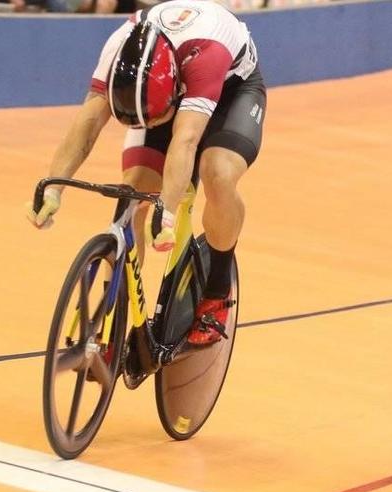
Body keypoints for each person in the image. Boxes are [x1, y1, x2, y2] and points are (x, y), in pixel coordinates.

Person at [26, 0, 266, 353]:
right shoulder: (118, 47)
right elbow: (88, 122)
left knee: (216, 173)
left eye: (154, 119)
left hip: (232, 90)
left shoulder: (207, 54)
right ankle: (112, 322)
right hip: (164, 89)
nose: (150, 128)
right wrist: (54, 188)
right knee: (133, 194)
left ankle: (216, 291)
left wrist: (166, 212)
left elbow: (185, 141)